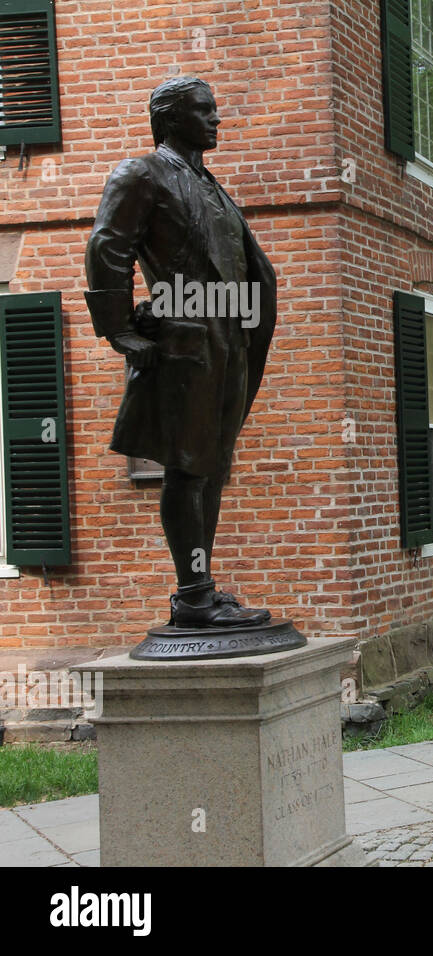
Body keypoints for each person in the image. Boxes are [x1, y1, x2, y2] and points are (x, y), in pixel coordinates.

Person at [84, 76, 277, 628]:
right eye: (203, 111)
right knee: (188, 470)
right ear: (170, 120)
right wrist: (118, 329)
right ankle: (193, 594)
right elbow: (107, 245)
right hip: (185, 340)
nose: (217, 119)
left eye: (215, 109)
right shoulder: (141, 173)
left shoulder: (211, 185)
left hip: (228, 339)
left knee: (212, 469)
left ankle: (202, 586)